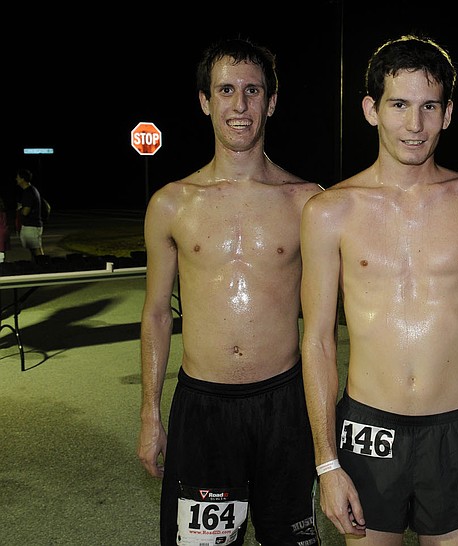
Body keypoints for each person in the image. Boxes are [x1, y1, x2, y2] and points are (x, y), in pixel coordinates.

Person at [300, 34, 458, 544]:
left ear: (448, 114)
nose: (415, 125)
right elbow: (317, 342)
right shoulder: (330, 211)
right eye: (399, 105)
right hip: (366, 428)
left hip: (456, 429)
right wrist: (327, 463)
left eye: (429, 107)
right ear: (371, 110)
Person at [136, 37, 323, 546]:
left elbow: (335, 319)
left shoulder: (308, 202)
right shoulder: (171, 204)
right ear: (204, 101)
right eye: (225, 90)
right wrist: (150, 414)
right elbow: (156, 314)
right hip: (202, 409)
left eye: (252, 90)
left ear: (272, 101)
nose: (239, 105)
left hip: (285, 405)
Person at [14, 168, 46, 260]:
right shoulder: (31, 190)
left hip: (32, 226)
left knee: (36, 250)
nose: (16, 179)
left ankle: (43, 265)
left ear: (22, 179)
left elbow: (25, 212)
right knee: (34, 250)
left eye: (18, 177)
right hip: (32, 225)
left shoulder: (29, 192)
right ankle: (39, 265)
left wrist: (20, 209)